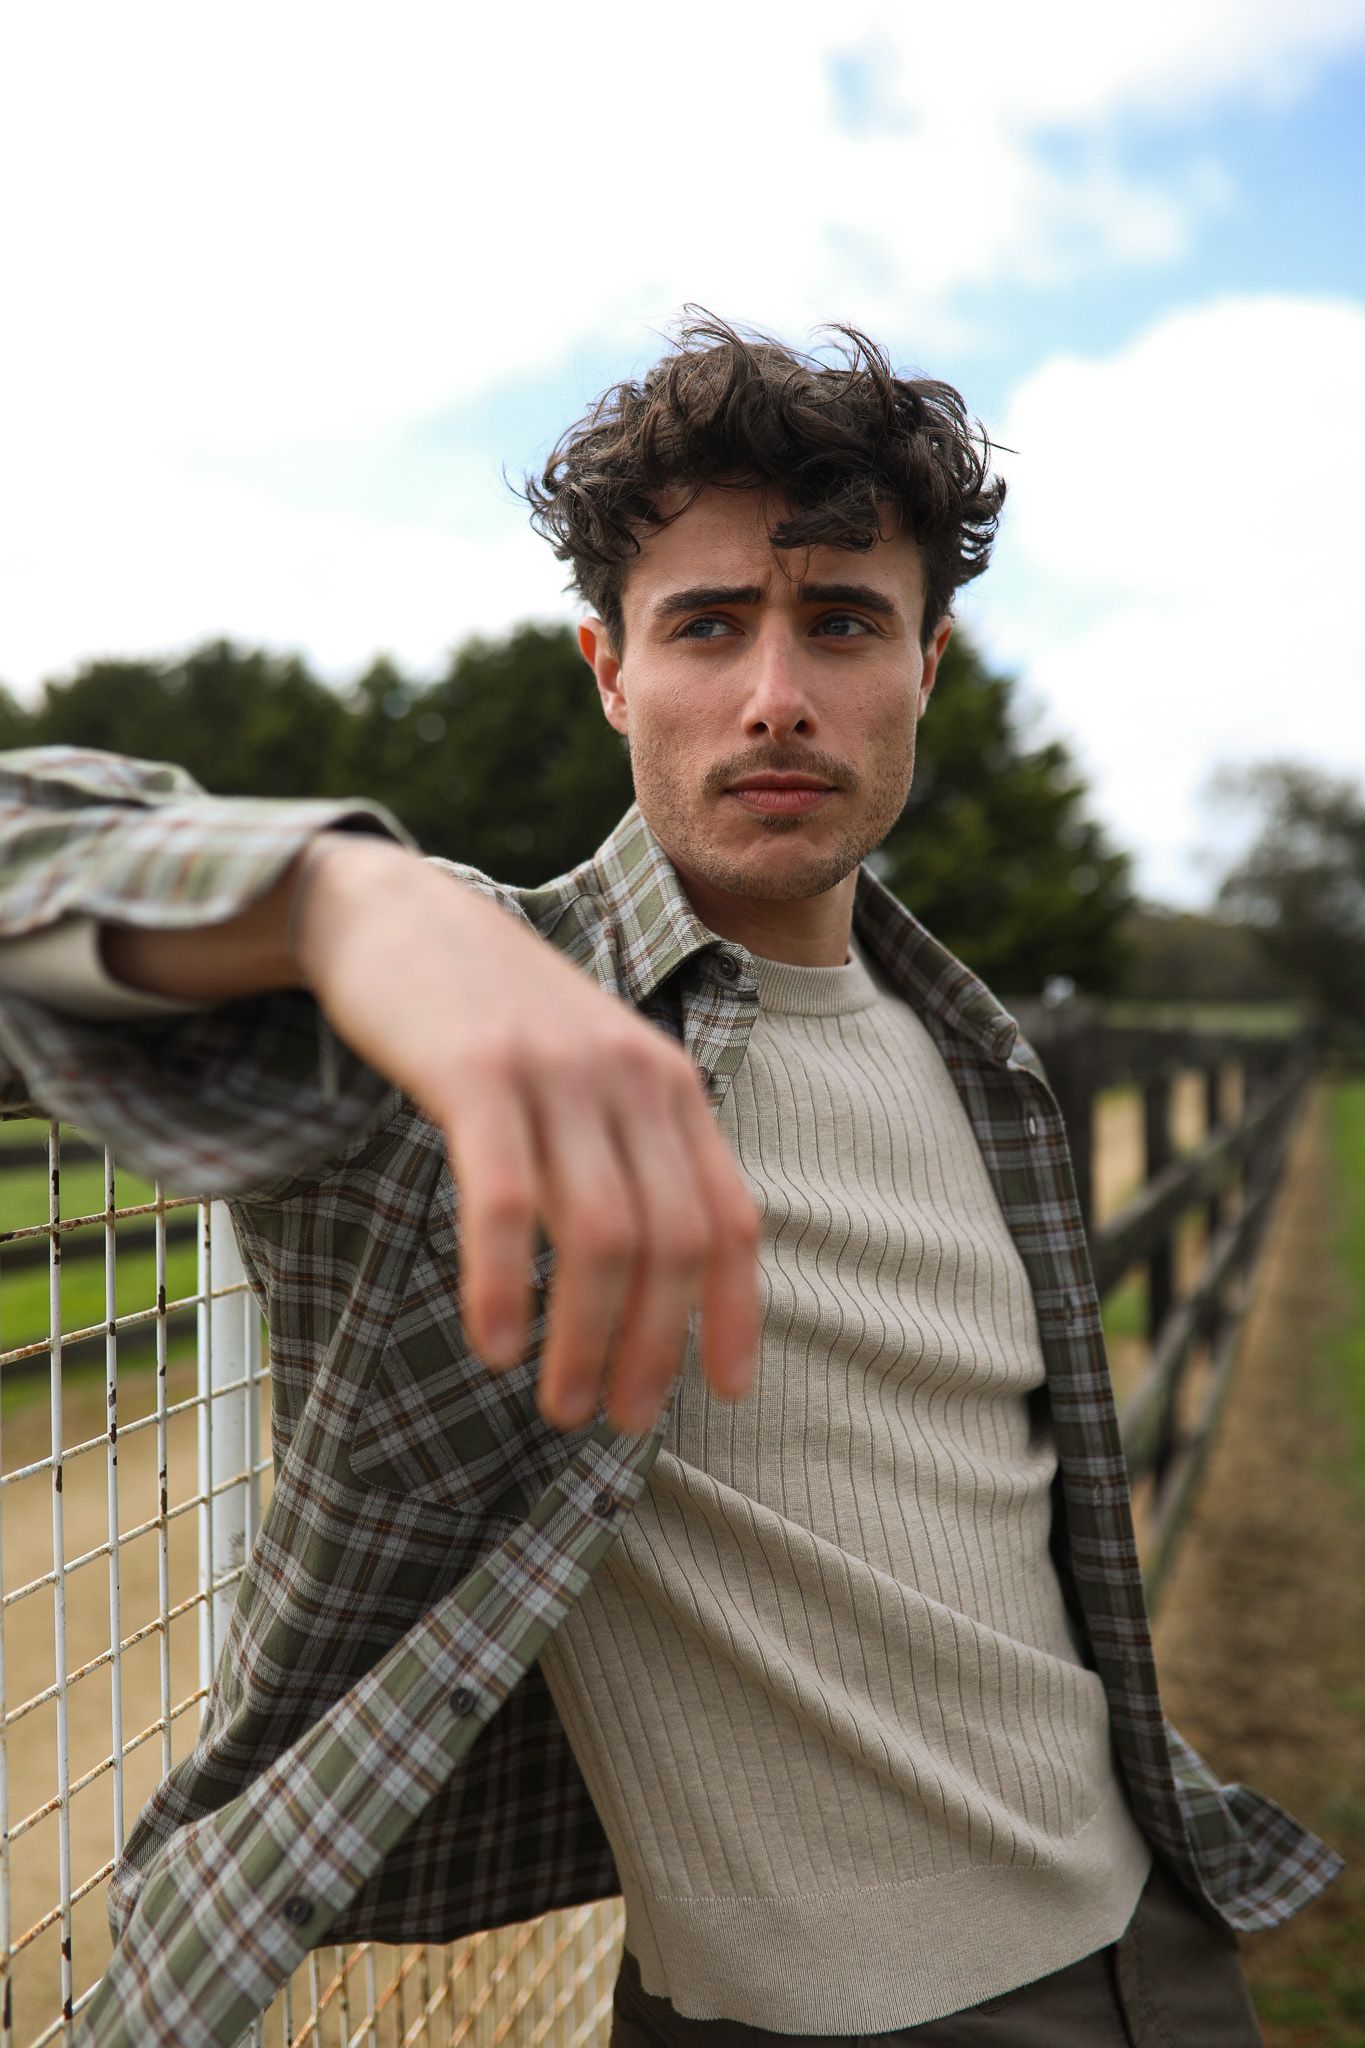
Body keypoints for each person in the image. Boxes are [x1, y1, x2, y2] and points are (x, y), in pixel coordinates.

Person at [0, 315, 1338, 2047]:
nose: (776, 693)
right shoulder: (477, 1018)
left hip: (1157, 1929)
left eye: (841, 621)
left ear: (925, 664)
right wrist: (341, 900)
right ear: (609, 671)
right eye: (705, 624)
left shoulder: (974, 1053)